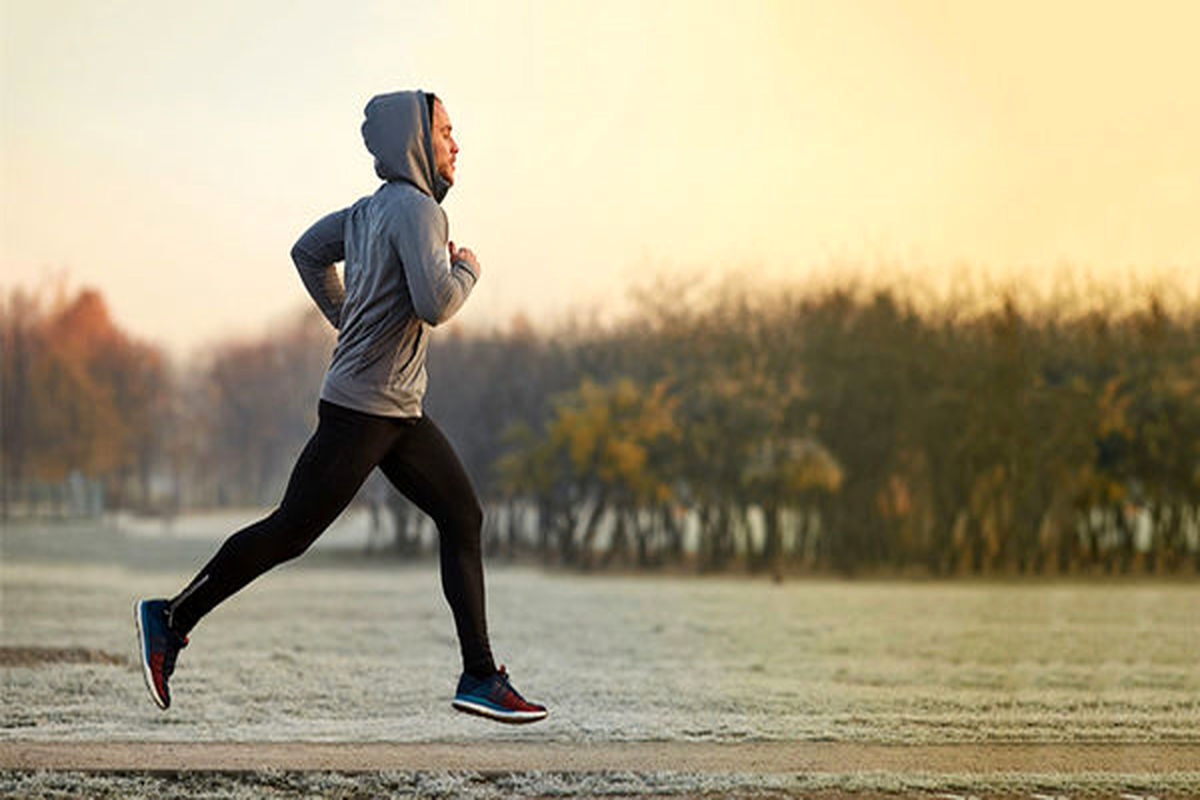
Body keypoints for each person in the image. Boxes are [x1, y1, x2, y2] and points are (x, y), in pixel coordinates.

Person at [135, 90, 548, 725]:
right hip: (364, 411)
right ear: (415, 141)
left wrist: (346, 318)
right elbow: (437, 301)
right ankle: (170, 618)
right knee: (289, 531)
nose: (456, 145)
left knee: (462, 517)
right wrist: (467, 269)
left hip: (397, 411)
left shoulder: (369, 212)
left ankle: (480, 675)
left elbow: (307, 250)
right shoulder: (419, 212)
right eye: (445, 132)